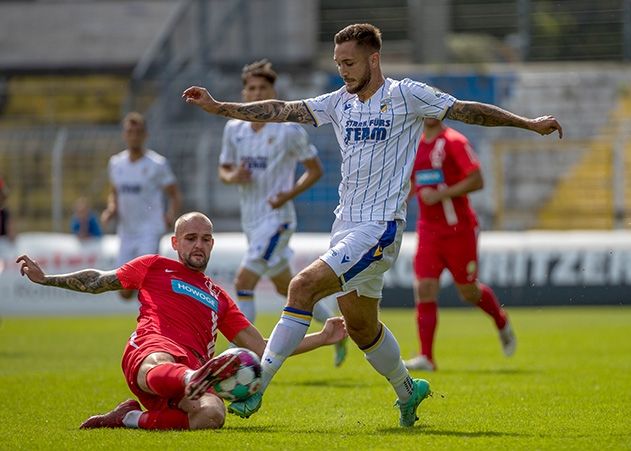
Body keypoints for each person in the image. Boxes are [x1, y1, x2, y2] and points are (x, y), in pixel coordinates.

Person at [182, 23, 562, 427]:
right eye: (338, 63)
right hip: (345, 226)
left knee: (301, 286)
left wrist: (528, 123)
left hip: (380, 228)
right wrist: (221, 107)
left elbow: (467, 110)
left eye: (350, 63)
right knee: (362, 328)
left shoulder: (406, 95)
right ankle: (407, 390)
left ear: (374, 59)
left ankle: (257, 387)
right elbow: (283, 110)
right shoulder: (338, 102)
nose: (343, 71)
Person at [16, 212, 345, 430]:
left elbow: (262, 348)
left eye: (205, 239)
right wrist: (47, 279)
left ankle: (130, 417)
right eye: (191, 238)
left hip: (191, 374)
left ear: (212, 244)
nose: (198, 245)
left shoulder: (219, 297)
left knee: (212, 415)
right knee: (158, 360)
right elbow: (98, 281)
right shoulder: (153, 266)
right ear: (176, 243)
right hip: (152, 351)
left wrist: (323, 337)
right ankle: (192, 377)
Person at [219, 59, 347, 366]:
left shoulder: (289, 131)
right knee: (284, 286)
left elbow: (314, 170)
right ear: (244, 93)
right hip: (250, 219)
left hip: (278, 220)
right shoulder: (234, 128)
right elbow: (224, 169)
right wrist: (233, 176)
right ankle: (334, 329)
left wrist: (287, 194)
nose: (257, 92)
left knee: (244, 282)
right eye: (251, 88)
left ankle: (246, 356)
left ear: (273, 91)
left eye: (263, 87)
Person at [405, 119, 515, 372]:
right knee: (424, 287)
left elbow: (477, 180)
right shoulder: (413, 146)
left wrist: (442, 194)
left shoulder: (455, 141)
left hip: (459, 230)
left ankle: (500, 320)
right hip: (429, 231)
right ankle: (427, 357)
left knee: (467, 291)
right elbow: (413, 183)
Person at [101, 112, 182, 300]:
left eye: (138, 132)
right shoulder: (116, 163)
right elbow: (114, 192)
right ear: (124, 135)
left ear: (145, 135)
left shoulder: (157, 164)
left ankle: (152, 324)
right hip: (126, 232)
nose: (134, 136)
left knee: (146, 282)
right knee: (125, 291)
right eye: (130, 131)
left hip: (149, 230)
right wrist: (111, 208)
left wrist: (171, 215)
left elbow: (175, 194)